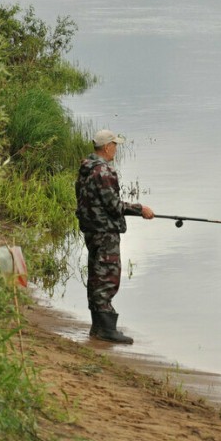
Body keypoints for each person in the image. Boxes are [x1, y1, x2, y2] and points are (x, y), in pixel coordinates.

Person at [75, 129, 154, 344]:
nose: (116, 150)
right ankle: (106, 330)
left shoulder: (86, 168)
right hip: (105, 232)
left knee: (96, 276)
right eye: (115, 145)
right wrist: (141, 209)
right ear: (107, 146)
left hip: (91, 230)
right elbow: (114, 205)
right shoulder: (104, 171)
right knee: (107, 278)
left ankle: (98, 327)